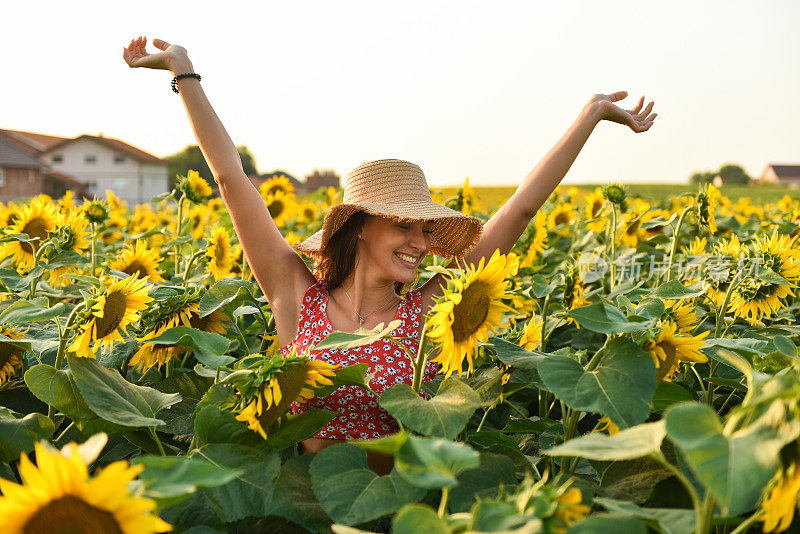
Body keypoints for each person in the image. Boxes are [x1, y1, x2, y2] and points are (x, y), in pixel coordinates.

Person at [123, 36, 657, 473]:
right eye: (403, 225)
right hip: (308, 510)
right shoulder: (295, 295)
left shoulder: (425, 312)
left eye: (425, 230)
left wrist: (589, 116)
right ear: (357, 228)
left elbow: (517, 211)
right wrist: (184, 73)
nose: (422, 245)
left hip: (404, 511)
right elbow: (231, 179)